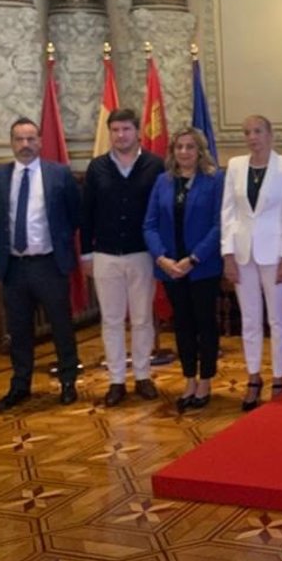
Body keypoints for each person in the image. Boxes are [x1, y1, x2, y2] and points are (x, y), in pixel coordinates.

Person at [0, 117, 82, 410]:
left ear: (40, 141)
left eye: (30, 139)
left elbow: (74, 214)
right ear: (11, 143)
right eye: (19, 139)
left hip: (49, 264)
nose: (25, 144)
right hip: (14, 266)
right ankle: (20, 384)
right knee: (19, 330)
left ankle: (68, 381)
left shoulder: (59, 174)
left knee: (61, 326)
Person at [80, 108, 165, 407]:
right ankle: (116, 379)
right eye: (115, 130)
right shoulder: (97, 168)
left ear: (137, 131)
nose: (120, 135)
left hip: (143, 254)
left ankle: (142, 374)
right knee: (112, 319)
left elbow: (161, 211)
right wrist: (85, 254)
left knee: (142, 318)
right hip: (105, 255)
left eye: (126, 129)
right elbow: (86, 213)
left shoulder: (154, 165)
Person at [221, 115, 282, 410]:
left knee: (277, 319)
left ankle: (278, 377)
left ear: (270, 134)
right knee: (250, 319)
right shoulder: (235, 166)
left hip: (275, 254)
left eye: (257, 131)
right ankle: (253, 377)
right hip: (243, 254)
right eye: (247, 132)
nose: (252, 137)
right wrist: (228, 254)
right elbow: (228, 213)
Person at [144, 128, 224, 412]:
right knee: (182, 325)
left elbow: (219, 225)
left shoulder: (214, 180)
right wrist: (161, 258)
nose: (184, 152)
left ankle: (206, 380)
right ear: (172, 151)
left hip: (202, 267)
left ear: (200, 151)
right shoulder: (163, 181)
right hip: (170, 268)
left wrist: (193, 258)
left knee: (205, 324)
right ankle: (189, 378)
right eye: (179, 147)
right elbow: (150, 224)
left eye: (190, 147)